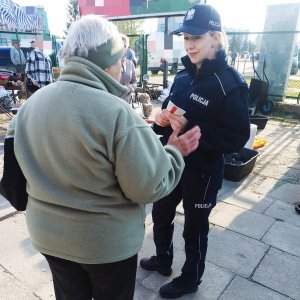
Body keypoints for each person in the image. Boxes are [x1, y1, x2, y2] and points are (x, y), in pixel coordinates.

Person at [7, 15, 201, 300]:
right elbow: (147, 187)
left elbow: (13, 187)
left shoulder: (28, 108)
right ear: (106, 62)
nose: (124, 66)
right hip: (107, 247)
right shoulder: (117, 114)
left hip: (49, 240)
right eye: (121, 59)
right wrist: (174, 152)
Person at [140, 4, 250, 299]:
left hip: (202, 171)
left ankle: (190, 279)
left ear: (214, 38)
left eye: (196, 38)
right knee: (161, 213)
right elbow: (168, 117)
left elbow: (237, 136)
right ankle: (163, 260)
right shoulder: (182, 77)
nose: (189, 44)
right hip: (172, 164)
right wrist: (163, 119)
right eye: (186, 37)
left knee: (195, 229)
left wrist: (192, 127)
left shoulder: (231, 84)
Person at [120, 34, 137, 103]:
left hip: (127, 101)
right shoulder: (110, 63)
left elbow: (135, 82)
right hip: (114, 101)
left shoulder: (130, 64)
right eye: (119, 46)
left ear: (127, 47)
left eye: (124, 46)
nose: (121, 48)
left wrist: (129, 88)